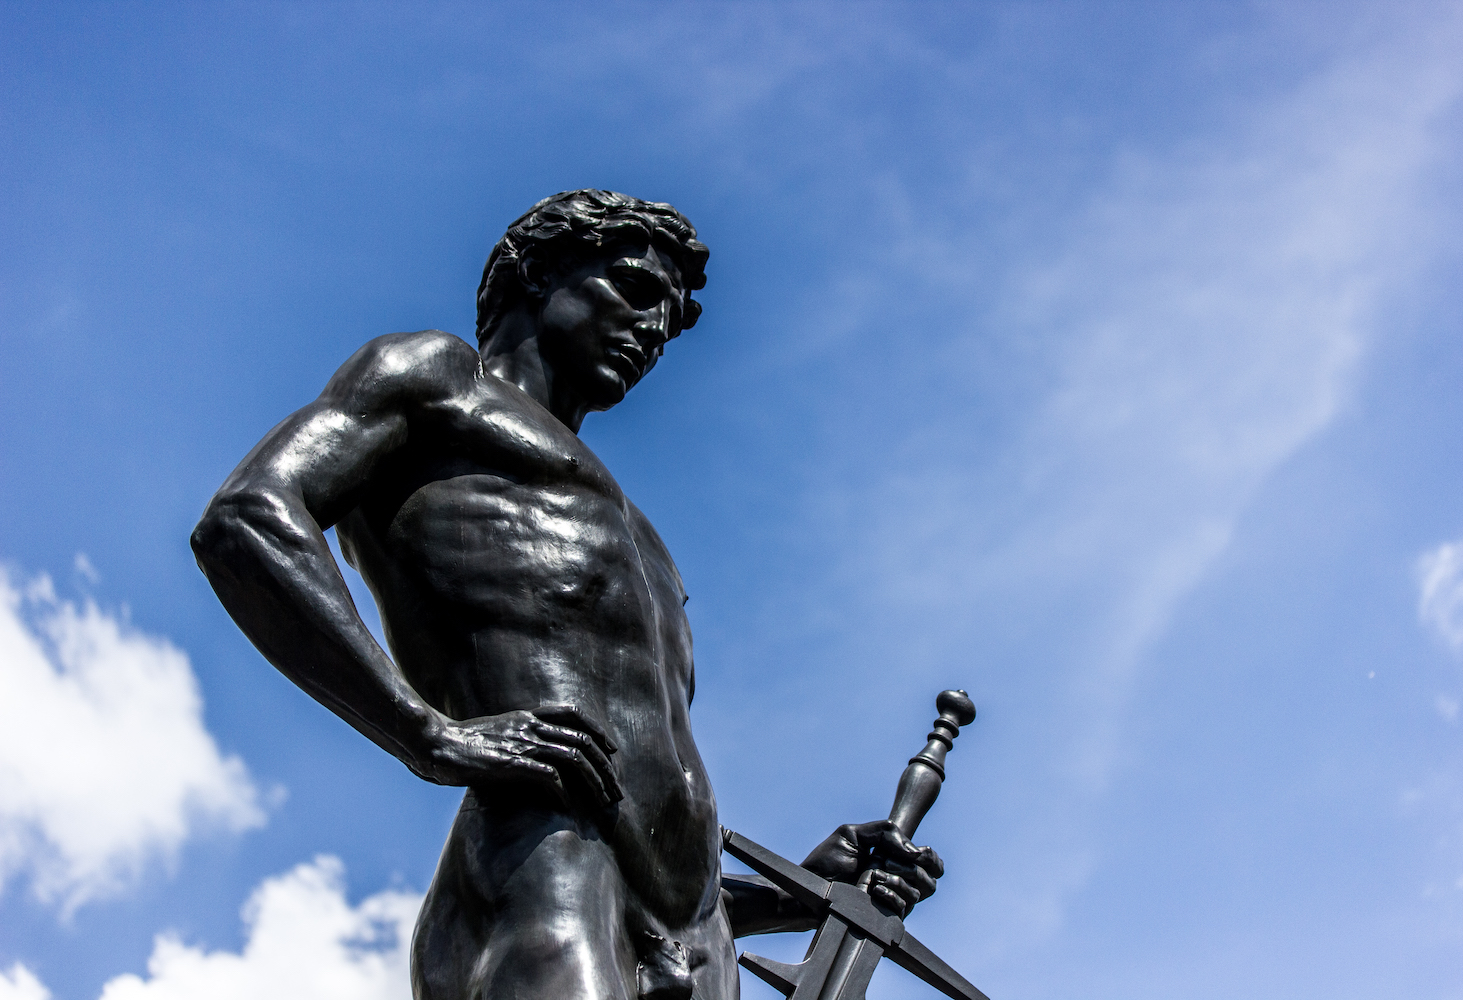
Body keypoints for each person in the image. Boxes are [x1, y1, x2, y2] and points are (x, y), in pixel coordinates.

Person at [191, 189, 943, 999]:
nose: (655, 331)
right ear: (539, 272)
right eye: (637, 290)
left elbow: (637, 795)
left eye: (676, 320)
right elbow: (248, 521)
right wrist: (427, 734)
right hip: (543, 874)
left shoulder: (646, 544)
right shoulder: (435, 380)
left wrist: (796, 894)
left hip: (696, 937)